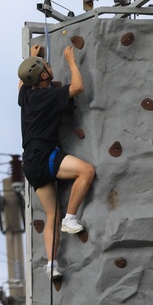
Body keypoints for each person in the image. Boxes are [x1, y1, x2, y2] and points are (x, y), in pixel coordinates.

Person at [17, 43, 95, 280]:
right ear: (42, 76)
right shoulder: (47, 95)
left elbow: (21, 82)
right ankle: (71, 217)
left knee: (51, 214)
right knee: (86, 171)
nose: (50, 68)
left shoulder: (27, 95)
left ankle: (52, 264)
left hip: (31, 164)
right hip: (46, 155)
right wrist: (71, 59)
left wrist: (32, 57)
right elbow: (79, 87)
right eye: (47, 67)